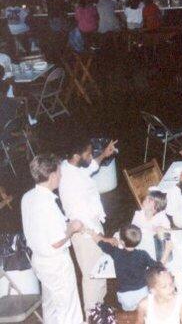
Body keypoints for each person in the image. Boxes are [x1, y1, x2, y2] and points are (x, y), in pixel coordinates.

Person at [21, 154, 84, 324]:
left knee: (51, 306)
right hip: (56, 264)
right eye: (60, 173)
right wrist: (73, 227)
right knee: (68, 310)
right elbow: (56, 241)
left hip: (39, 261)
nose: (61, 176)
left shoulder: (27, 197)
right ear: (53, 176)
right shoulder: (47, 204)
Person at [58, 138, 117, 315]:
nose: (92, 156)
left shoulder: (71, 165)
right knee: (93, 277)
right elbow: (79, 220)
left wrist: (103, 155)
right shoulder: (70, 183)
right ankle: (92, 314)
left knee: (100, 271)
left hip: (93, 225)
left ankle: (100, 311)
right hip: (86, 234)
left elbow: (90, 167)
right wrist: (101, 238)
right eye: (89, 154)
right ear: (76, 156)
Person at [87, 224, 164, 311]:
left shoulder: (116, 252)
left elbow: (101, 243)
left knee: (124, 304)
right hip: (143, 295)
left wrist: (92, 234)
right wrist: (167, 251)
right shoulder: (143, 254)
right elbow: (158, 267)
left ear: (122, 242)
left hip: (125, 298)